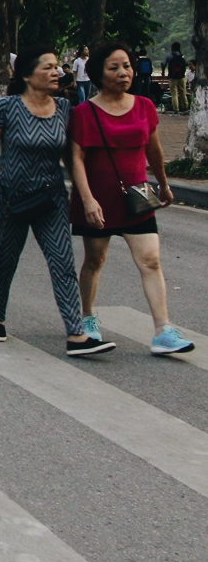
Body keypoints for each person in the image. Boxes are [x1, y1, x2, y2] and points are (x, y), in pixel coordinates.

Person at [0, 45, 113, 356]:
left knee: (62, 262)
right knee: (4, 261)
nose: (56, 72)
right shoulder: (7, 107)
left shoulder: (64, 108)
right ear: (26, 75)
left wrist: (86, 196)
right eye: (48, 67)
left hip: (52, 200)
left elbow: (71, 158)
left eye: (57, 67)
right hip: (12, 199)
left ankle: (76, 334)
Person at [69, 42, 193, 355]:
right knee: (95, 260)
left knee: (151, 260)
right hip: (98, 200)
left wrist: (163, 185)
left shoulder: (144, 106)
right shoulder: (85, 112)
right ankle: (87, 320)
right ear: (99, 73)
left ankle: (163, 330)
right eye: (114, 67)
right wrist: (86, 200)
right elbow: (76, 160)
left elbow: (154, 150)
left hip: (138, 198)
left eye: (127, 66)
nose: (123, 73)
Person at [165, 42, 189, 113]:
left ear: (172, 48)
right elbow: (186, 65)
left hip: (172, 77)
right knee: (183, 93)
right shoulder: (182, 56)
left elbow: (164, 64)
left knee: (174, 93)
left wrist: (163, 72)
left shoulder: (169, 56)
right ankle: (185, 107)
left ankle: (176, 109)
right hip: (181, 77)